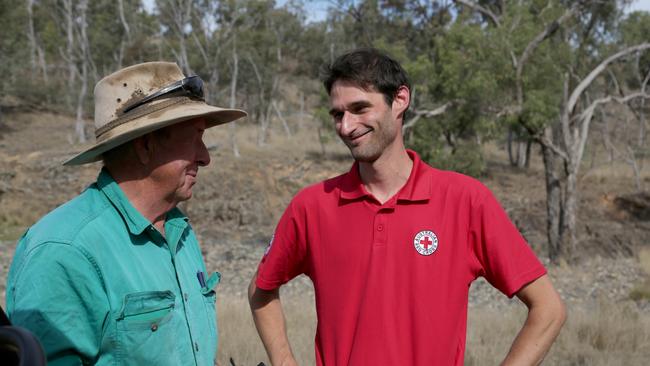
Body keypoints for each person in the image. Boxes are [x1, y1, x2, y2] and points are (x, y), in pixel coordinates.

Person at [248, 48, 566, 365]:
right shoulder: (312, 207)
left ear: (400, 99)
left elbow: (548, 309)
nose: (346, 127)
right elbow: (261, 290)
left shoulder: (465, 200)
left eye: (360, 108)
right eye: (337, 114)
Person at [6, 62, 246, 365]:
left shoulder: (178, 228)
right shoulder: (65, 251)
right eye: (195, 137)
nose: (205, 156)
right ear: (145, 145)